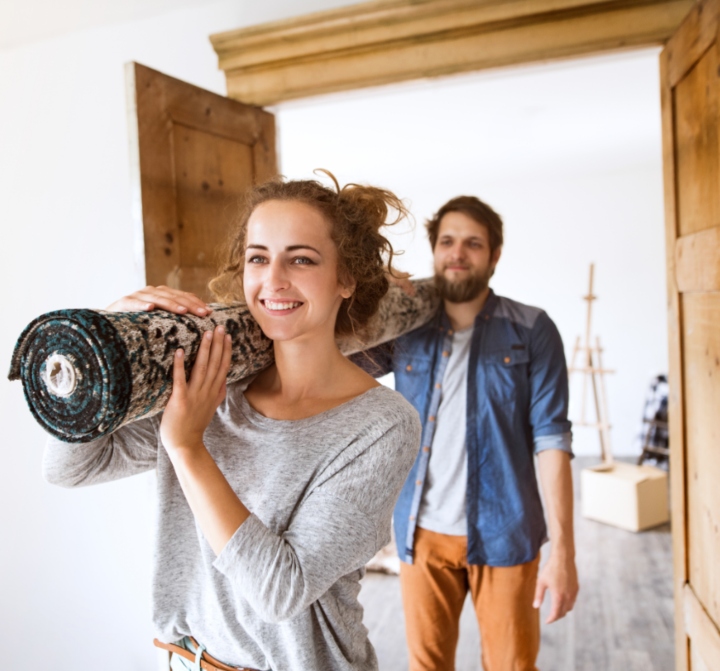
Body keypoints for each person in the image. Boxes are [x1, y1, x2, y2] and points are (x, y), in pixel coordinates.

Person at [42, 173, 421, 671]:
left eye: (301, 259)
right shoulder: (211, 388)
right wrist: (97, 343)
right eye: (258, 257)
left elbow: (280, 591)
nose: (274, 279)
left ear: (345, 279)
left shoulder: (382, 425)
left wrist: (186, 446)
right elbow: (71, 466)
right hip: (186, 659)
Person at [353, 196, 578, 671]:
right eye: (448, 242)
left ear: (493, 255)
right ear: (434, 251)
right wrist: (376, 295)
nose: (458, 253)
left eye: (473, 243)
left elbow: (552, 441)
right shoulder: (405, 328)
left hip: (506, 531)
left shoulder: (532, 329)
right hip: (422, 533)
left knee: (512, 665)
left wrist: (564, 553)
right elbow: (336, 362)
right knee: (427, 666)